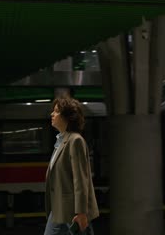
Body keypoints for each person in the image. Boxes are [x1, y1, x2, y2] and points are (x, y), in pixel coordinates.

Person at [44, 97, 99, 235]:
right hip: (59, 208)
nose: (52, 114)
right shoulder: (61, 141)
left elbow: (80, 179)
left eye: (56, 111)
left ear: (67, 117)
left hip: (72, 210)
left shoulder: (75, 141)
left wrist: (81, 212)